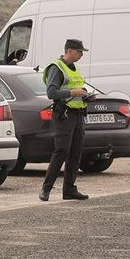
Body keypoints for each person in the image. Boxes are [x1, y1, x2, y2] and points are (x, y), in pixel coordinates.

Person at [39, 39, 91, 202]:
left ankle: (69, 189)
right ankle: (46, 189)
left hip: (78, 114)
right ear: (69, 51)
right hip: (64, 115)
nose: (82, 54)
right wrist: (73, 92)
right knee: (61, 151)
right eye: (79, 51)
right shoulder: (57, 67)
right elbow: (51, 93)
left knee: (76, 153)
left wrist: (84, 94)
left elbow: (75, 89)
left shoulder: (75, 68)